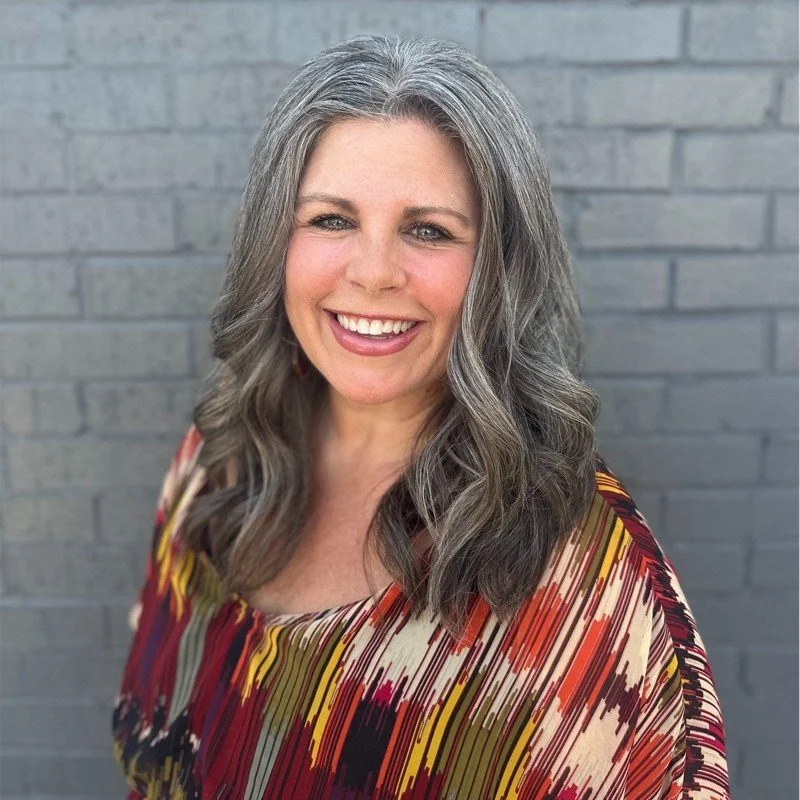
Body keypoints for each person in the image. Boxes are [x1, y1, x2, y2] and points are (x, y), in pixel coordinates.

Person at [111, 34, 730, 800]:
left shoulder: (582, 581)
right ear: (273, 242)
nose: (372, 272)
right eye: (331, 219)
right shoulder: (217, 460)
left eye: (428, 230)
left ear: (498, 271)